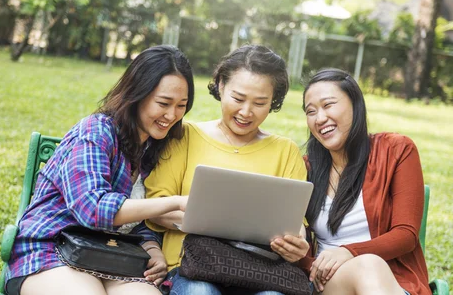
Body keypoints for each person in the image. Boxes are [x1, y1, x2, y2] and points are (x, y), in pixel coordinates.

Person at [4, 45, 196, 295]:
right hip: (51, 251)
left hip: (113, 256)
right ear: (137, 94)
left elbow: (137, 220)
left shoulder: (155, 146)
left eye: (181, 105)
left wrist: (152, 249)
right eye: (163, 103)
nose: (172, 115)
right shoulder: (95, 131)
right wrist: (174, 203)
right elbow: (92, 209)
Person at [144, 45, 310, 295]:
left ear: (273, 101)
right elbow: (156, 207)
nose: (246, 112)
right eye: (238, 98)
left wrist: (298, 243)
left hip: (260, 272)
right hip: (193, 267)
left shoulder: (285, 151)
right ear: (221, 86)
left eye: (260, 103)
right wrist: (217, 224)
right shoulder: (185, 136)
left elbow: (296, 222)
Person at [299, 68, 431, 295]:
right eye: (311, 111)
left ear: (355, 104)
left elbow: (406, 234)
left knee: (370, 265)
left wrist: (349, 251)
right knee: (368, 266)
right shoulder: (306, 168)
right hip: (330, 282)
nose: (320, 118)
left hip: (395, 283)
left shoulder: (396, 150)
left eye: (328, 105)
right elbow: (295, 243)